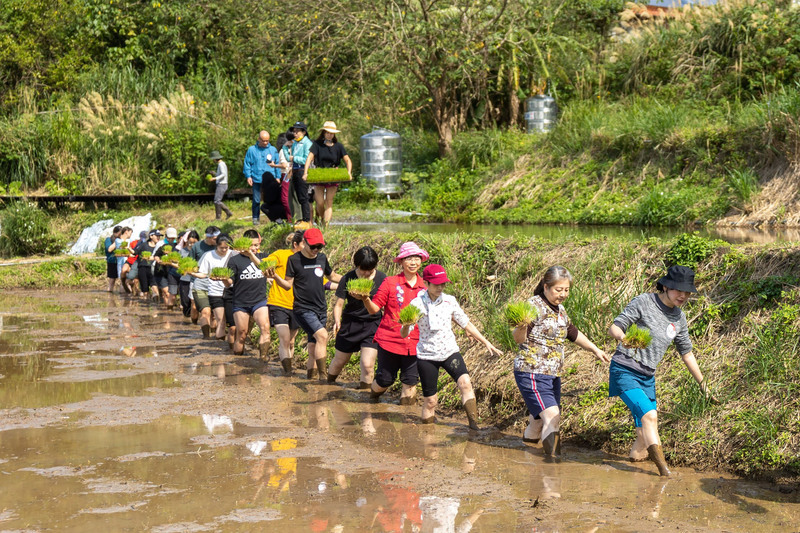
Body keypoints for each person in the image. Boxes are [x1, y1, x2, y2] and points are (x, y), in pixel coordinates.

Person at [607, 265, 716, 476]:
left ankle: (634, 477)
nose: (683, 295)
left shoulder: (679, 318)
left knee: (643, 434)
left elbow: (687, 353)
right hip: (625, 370)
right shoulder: (644, 302)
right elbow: (614, 328)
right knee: (650, 417)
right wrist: (624, 338)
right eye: (678, 290)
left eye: (687, 292)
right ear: (665, 286)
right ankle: (664, 474)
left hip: (648, 376)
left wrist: (704, 385)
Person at [512, 266, 609, 458]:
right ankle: (552, 469)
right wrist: (521, 326)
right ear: (546, 287)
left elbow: (572, 332)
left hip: (552, 373)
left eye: (566, 290)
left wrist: (595, 349)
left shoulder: (560, 310)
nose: (563, 294)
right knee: (552, 416)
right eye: (558, 290)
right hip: (532, 371)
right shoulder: (532, 306)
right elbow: (518, 338)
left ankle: (525, 458)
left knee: (539, 419)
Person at [401, 264, 502, 430]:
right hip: (427, 356)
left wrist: (486, 342)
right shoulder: (416, 304)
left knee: (465, 384)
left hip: (449, 352)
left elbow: (465, 322)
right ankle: (427, 434)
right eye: (436, 284)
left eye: (443, 284)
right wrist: (406, 325)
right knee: (431, 401)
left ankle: (474, 426)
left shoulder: (449, 301)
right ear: (426, 283)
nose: (440, 287)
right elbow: (404, 334)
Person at [354, 241, 428, 405]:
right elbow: (374, 309)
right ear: (401, 262)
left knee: (410, 382)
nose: (413, 262)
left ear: (421, 260)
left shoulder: (426, 287)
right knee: (385, 380)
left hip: (416, 343)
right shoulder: (390, 282)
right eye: (408, 258)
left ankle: (407, 424)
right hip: (390, 341)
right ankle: (371, 401)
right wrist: (365, 298)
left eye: (416, 258)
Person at [268, 228, 342, 379]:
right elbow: (288, 285)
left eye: (319, 247)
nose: (316, 250)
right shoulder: (294, 260)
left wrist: (352, 279)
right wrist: (275, 276)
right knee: (322, 336)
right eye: (313, 246)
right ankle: (323, 378)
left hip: (320, 308)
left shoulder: (321, 258)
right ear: (305, 243)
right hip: (303, 308)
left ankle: (311, 377)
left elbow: (332, 276)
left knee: (314, 346)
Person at [328, 246, 387, 388]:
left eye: (370, 270)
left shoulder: (382, 279)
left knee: (367, 365)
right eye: (363, 269)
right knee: (339, 362)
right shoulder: (348, 278)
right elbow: (339, 305)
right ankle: (327, 385)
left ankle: (365, 398)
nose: (366, 273)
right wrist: (337, 321)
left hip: (373, 325)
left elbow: (385, 305)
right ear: (357, 265)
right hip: (350, 324)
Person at [224, 232, 270, 359]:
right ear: (244, 244)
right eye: (251, 245)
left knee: (265, 327)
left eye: (257, 245)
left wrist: (251, 254)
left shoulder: (263, 257)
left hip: (260, 301)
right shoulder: (234, 260)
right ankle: (237, 361)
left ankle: (263, 360)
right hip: (241, 303)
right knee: (242, 334)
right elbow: (229, 283)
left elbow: (266, 269)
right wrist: (224, 279)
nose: (254, 248)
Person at [265, 231, 304, 375]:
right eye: (304, 244)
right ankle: (288, 372)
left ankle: (289, 366)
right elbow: (266, 262)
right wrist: (268, 272)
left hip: (297, 304)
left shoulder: (306, 260)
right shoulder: (281, 254)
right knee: (285, 338)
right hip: (278, 302)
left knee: (292, 341)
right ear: (295, 244)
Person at [303, 121, 352, 228]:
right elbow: (310, 158)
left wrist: (349, 173)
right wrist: (305, 172)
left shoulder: (339, 146)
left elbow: (347, 160)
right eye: (328, 132)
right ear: (324, 133)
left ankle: (325, 226)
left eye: (332, 133)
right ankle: (320, 217)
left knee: (329, 201)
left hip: (333, 175)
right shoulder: (317, 145)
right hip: (319, 175)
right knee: (320, 202)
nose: (330, 135)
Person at [194, 234, 235, 341]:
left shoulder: (234, 254)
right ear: (216, 246)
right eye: (222, 248)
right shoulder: (208, 256)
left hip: (231, 291)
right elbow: (203, 274)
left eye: (227, 247)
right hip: (215, 293)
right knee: (221, 321)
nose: (224, 250)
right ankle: (219, 346)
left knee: (231, 323)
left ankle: (230, 345)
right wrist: (191, 273)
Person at [243, 131, 280, 225]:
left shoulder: (273, 149)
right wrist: (248, 176)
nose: (265, 143)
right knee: (256, 200)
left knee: (272, 200)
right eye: (263, 141)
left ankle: (275, 219)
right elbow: (247, 164)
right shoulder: (251, 150)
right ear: (258, 139)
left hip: (270, 180)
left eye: (267, 141)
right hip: (256, 178)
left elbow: (277, 163)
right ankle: (255, 219)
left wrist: (278, 177)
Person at [189, 226, 220, 338]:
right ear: (208, 237)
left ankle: (215, 335)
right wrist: (191, 272)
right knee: (205, 311)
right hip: (200, 283)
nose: (217, 241)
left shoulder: (222, 247)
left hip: (217, 286)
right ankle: (206, 337)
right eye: (215, 239)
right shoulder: (198, 247)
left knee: (214, 314)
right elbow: (190, 261)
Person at [289, 121, 313, 226]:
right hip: (295, 171)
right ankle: (302, 219)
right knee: (299, 197)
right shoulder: (296, 143)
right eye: (294, 131)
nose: (295, 133)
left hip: (303, 171)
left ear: (304, 132)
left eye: (297, 131)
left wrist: (294, 158)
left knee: (304, 197)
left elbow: (306, 160)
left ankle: (307, 219)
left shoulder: (307, 143)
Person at [270, 131, 294, 223]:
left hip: (286, 175)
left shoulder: (282, 151)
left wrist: (274, 165)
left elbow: (284, 165)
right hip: (293, 174)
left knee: (285, 198)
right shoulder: (293, 149)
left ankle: (290, 219)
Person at [152, 226, 179, 307]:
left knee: (170, 294)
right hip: (160, 271)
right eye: (170, 237)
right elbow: (155, 256)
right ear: (166, 236)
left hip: (171, 272)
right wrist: (159, 261)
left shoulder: (177, 246)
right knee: (167, 292)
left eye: (173, 238)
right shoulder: (161, 244)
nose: (171, 239)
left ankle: (168, 307)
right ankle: (168, 312)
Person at [134, 229, 163, 301]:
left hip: (153, 269)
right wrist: (127, 248)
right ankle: (146, 308)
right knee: (145, 290)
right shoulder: (143, 245)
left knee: (155, 287)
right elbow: (135, 252)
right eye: (157, 236)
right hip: (143, 268)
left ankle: (156, 305)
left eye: (159, 236)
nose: (158, 238)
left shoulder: (160, 246)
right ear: (151, 236)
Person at [176, 229, 200, 317]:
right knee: (185, 301)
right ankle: (186, 318)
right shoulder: (182, 251)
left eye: (194, 243)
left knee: (194, 302)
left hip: (197, 279)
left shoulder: (200, 251)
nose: (192, 245)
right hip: (185, 279)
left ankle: (194, 319)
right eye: (190, 242)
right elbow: (178, 264)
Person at [208, 150, 233, 220]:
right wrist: (214, 173)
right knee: (217, 201)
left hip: (222, 184)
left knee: (217, 201)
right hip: (222, 184)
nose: (213, 160)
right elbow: (221, 174)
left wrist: (214, 178)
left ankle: (221, 216)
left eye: (213, 159)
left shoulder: (221, 164)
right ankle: (226, 214)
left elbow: (223, 174)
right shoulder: (221, 164)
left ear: (215, 158)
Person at [104, 225, 123, 292]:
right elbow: (109, 249)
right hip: (112, 261)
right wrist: (117, 242)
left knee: (122, 279)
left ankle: (122, 292)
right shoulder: (108, 240)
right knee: (112, 279)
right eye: (120, 233)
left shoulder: (122, 240)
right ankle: (110, 291)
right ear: (115, 233)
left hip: (120, 261)